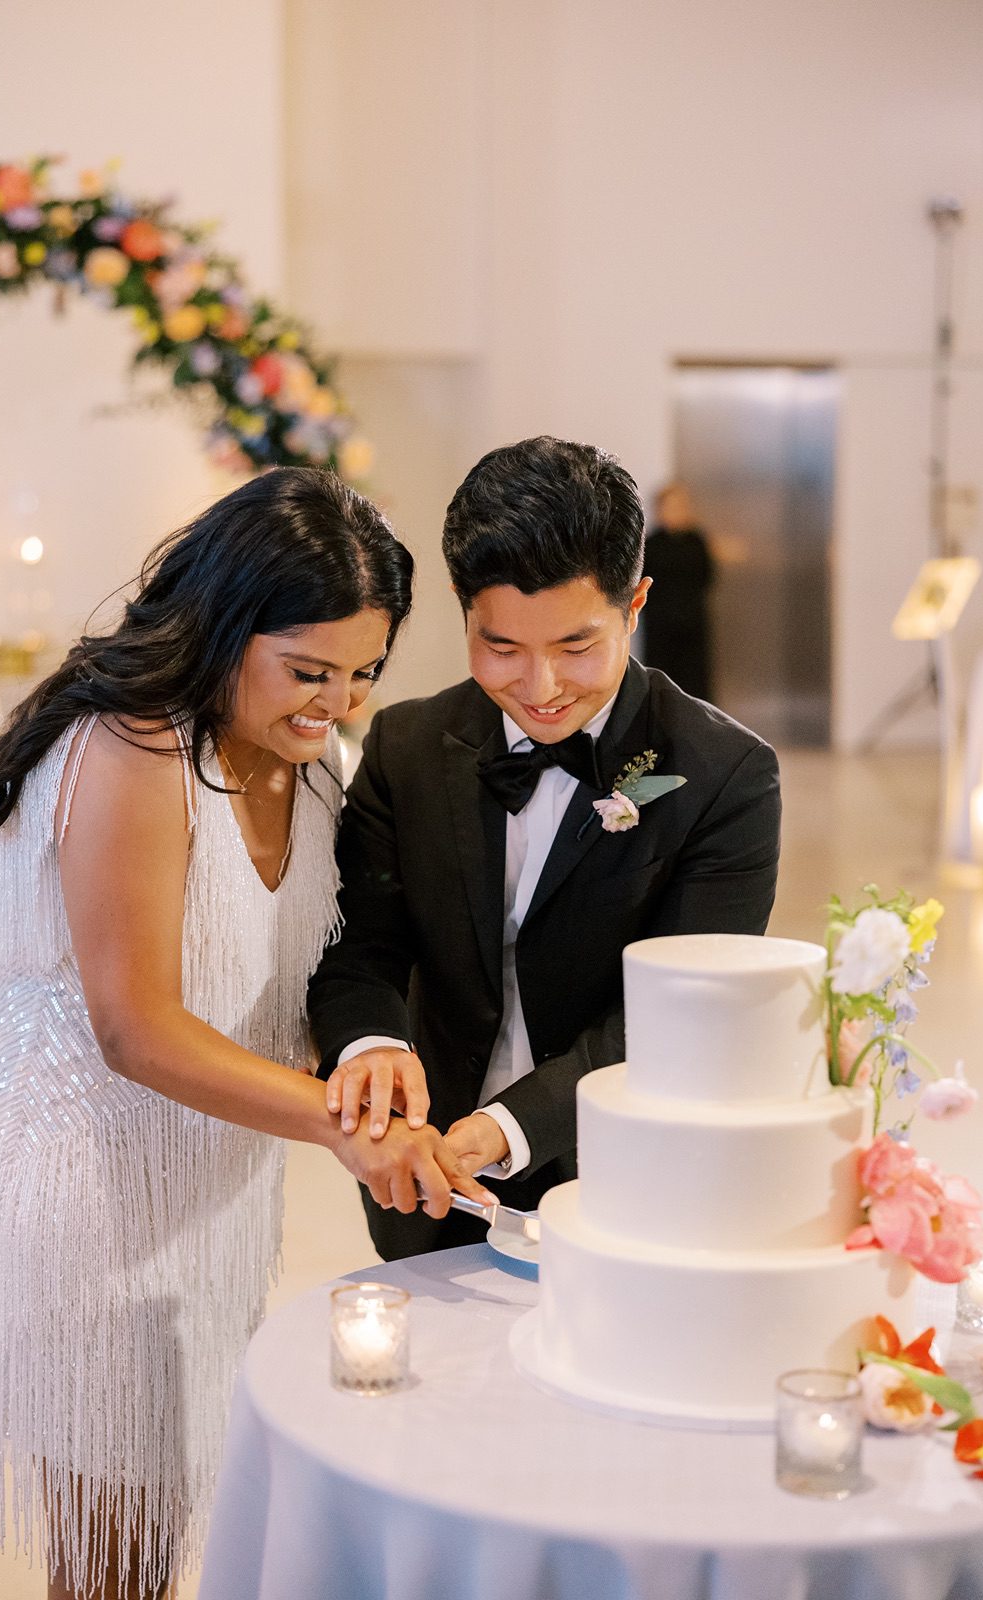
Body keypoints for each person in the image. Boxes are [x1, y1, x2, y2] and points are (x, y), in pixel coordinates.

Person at [0, 468, 491, 1600]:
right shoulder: (135, 748)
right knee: (111, 1559)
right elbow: (134, 1027)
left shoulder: (312, 763)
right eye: (306, 670)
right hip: (90, 1186)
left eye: (361, 674)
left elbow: (304, 974)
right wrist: (342, 1128)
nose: (335, 704)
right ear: (224, 625)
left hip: (211, 1179)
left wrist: (372, 1071)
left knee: (179, 1522)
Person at [307, 437, 781, 1261]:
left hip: (620, 1178)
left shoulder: (723, 775)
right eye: (500, 648)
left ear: (635, 604)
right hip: (420, 1176)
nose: (540, 687)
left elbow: (678, 1015)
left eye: (575, 647)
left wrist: (504, 1127)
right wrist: (373, 1054)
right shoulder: (407, 747)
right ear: (463, 608)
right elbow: (359, 950)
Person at [641, 481, 715, 700]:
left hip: (692, 621)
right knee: (661, 680)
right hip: (659, 624)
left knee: (694, 679)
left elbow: (706, 577)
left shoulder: (696, 541)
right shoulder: (651, 544)